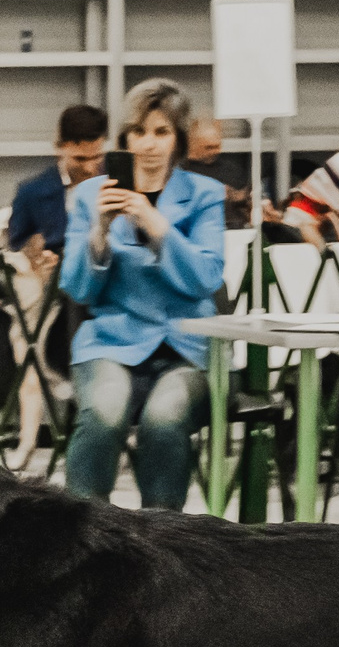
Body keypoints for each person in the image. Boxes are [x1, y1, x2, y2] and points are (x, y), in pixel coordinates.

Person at [60, 77, 225, 514]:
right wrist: (98, 231)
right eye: (139, 132)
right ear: (125, 137)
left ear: (179, 139)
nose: (148, 144)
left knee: (164, 418)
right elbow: (76, 288)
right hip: (111, 340)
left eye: (161, 132)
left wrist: (156, 225)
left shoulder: (205, 195)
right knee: (104, 411)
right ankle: (81, 532)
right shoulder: (89, 196)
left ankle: (163, 540)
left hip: (185, 345)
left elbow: (206, 278)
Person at [6, 104, 108, 266]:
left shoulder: (116, 183)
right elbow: (15, 249)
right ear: (59, 147)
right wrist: (34, 256)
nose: (89, 169)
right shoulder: (30, 193)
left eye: (96, 157)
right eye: (80, 159)